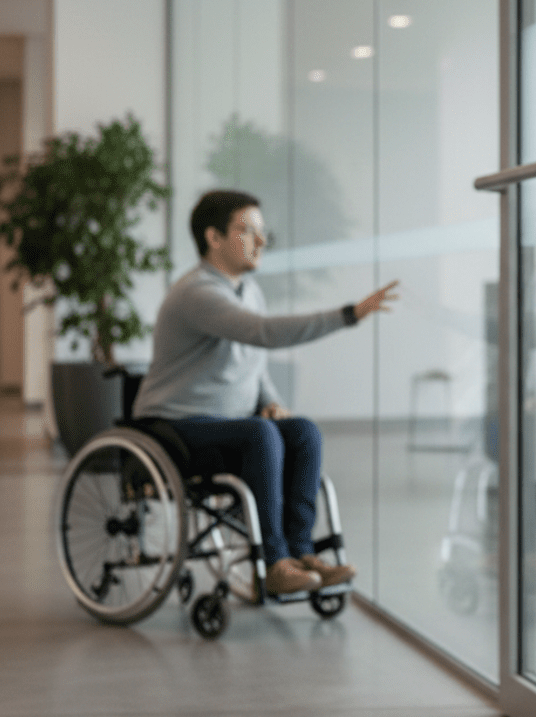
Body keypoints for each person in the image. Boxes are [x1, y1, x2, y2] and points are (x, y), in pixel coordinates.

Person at [132, 190, 398, 596]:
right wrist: (348, 315)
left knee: (303, 430)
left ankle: (301, 553)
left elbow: (251, 362)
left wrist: (269, 400)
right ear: (213, 238)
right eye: (248, 231)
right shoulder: (197, 292)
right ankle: (275, 562)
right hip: (175, 425)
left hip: (228, 426)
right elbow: (263, 334)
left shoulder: (249, 291)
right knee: (261, 434)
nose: (260, 242)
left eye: (262, 232)